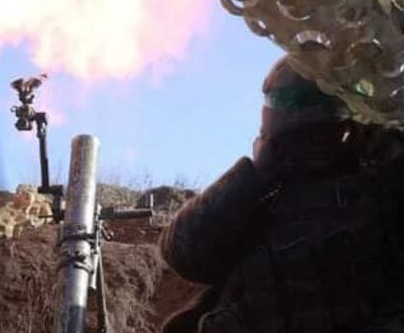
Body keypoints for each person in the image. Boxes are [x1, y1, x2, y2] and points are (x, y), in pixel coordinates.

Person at [160, 56, 404, 333]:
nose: (318, 145)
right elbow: (184, 254)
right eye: (304, 135)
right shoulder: (255, 204)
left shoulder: (381, 189)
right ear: (276, 139)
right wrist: (253, 177)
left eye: (330, 132)